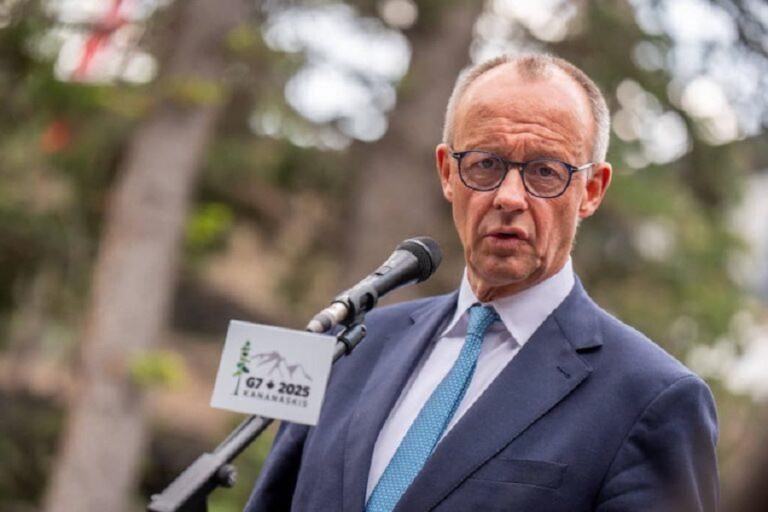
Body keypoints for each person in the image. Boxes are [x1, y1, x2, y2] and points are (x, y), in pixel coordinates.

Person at [244, 53, 718, 512]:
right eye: (486, 164)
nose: (509, 198)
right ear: (448, 173)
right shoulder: (348, 348)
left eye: (546, 172)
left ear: (591, 190)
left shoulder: (652, 399)